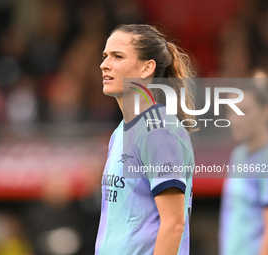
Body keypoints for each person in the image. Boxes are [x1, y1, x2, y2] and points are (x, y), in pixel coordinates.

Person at [95, 24, 195, 255]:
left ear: (147, 68)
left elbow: (174, 224)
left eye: (117, 56)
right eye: (105, 56)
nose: (104, 64)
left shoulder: (159, 131)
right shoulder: (121, 131)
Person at [219, 72, 268, 255]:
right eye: (231, 111)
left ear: (266, 111)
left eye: (244, 110)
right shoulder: (238, 155)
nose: (235, 119)